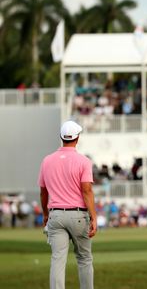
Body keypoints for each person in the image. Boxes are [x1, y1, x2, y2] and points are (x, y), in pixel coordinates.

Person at [38, 120, 97, 289]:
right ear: (77, 138)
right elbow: (86, 191)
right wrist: (94, 217)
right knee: (84, 258)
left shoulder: (47, 160)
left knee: (57, 259)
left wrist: (45, 213)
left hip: (55, 215)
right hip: (78, 215)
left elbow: (43, 192)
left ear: (61, 137)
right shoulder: (83, 161)